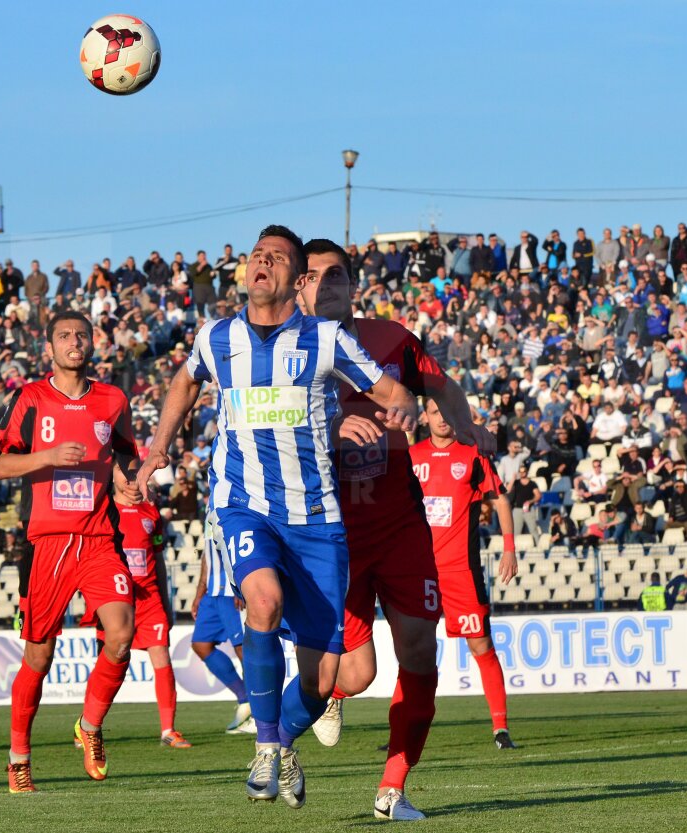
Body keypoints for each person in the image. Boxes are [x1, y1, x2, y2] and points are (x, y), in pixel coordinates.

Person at [135, 226, 417, 810]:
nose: (262, 263)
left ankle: (285, 740)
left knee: (322, 681)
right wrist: (160, 443)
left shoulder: (327, 341)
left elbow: (390, 390)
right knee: (261, 603)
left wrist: (404, 406)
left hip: (316, 519)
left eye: (277, 258)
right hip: (244, 506)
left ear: (296, 280)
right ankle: (265, 746)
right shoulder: (216, 338)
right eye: (256, 255)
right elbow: (186, 382)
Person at [295, 238, 495, 821]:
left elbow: (443, 388)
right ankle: (318, 704)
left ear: (353, 287)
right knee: (355, 675)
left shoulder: (393, 341)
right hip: (330, 531)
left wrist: (465, 428)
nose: (325, 285)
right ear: (297, 287)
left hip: (401, 523)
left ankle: (392, 788)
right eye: (312, 276)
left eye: (337, 276)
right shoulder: (284, 352)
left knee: (419, 650)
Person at [0, 310, 141, 793]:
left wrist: (127, 482)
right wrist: (47, 457)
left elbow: (125, 455)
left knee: (121, 636)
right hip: (48, 544)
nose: (74, 342)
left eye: (81, 335)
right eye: (64, 336)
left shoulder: (113, 399)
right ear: (49, 348)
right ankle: (18, 758)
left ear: (93, 342)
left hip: (99, 539)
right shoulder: (31, 397)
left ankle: (91, 726)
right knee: (39, 656)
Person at [410, 397, 519, 747]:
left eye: (447, 412)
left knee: (481, 645)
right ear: (424, 417)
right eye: (435, 412)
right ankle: (406, 727)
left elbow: (500, 499)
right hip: (420, 572)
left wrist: (510, 548)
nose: (442, 419)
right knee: (413, 650)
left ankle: (500, 728)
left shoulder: (471, 455)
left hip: (461, 572)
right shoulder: (410, 459)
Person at [77, 479, 190, 749]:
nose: (135, 483)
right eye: (127, 477)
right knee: (107, 662)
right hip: (115, 599)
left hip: (149, 600)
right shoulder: (103, 512)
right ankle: (88, 726)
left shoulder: (151, 514)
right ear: (113, 480)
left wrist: (165, 602)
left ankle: (168, 730)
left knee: (162, 656)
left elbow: (159, 561)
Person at [191, 509, 254, 735]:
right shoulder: (209, 507)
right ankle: (245, 698)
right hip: (212, 593)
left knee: (243, 650)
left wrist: (240, 584)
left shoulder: (231, 501)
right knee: (201, 644)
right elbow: (208, 554)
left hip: (230, 591)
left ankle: (259, 713)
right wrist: (199, 592)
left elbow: (238, 547)